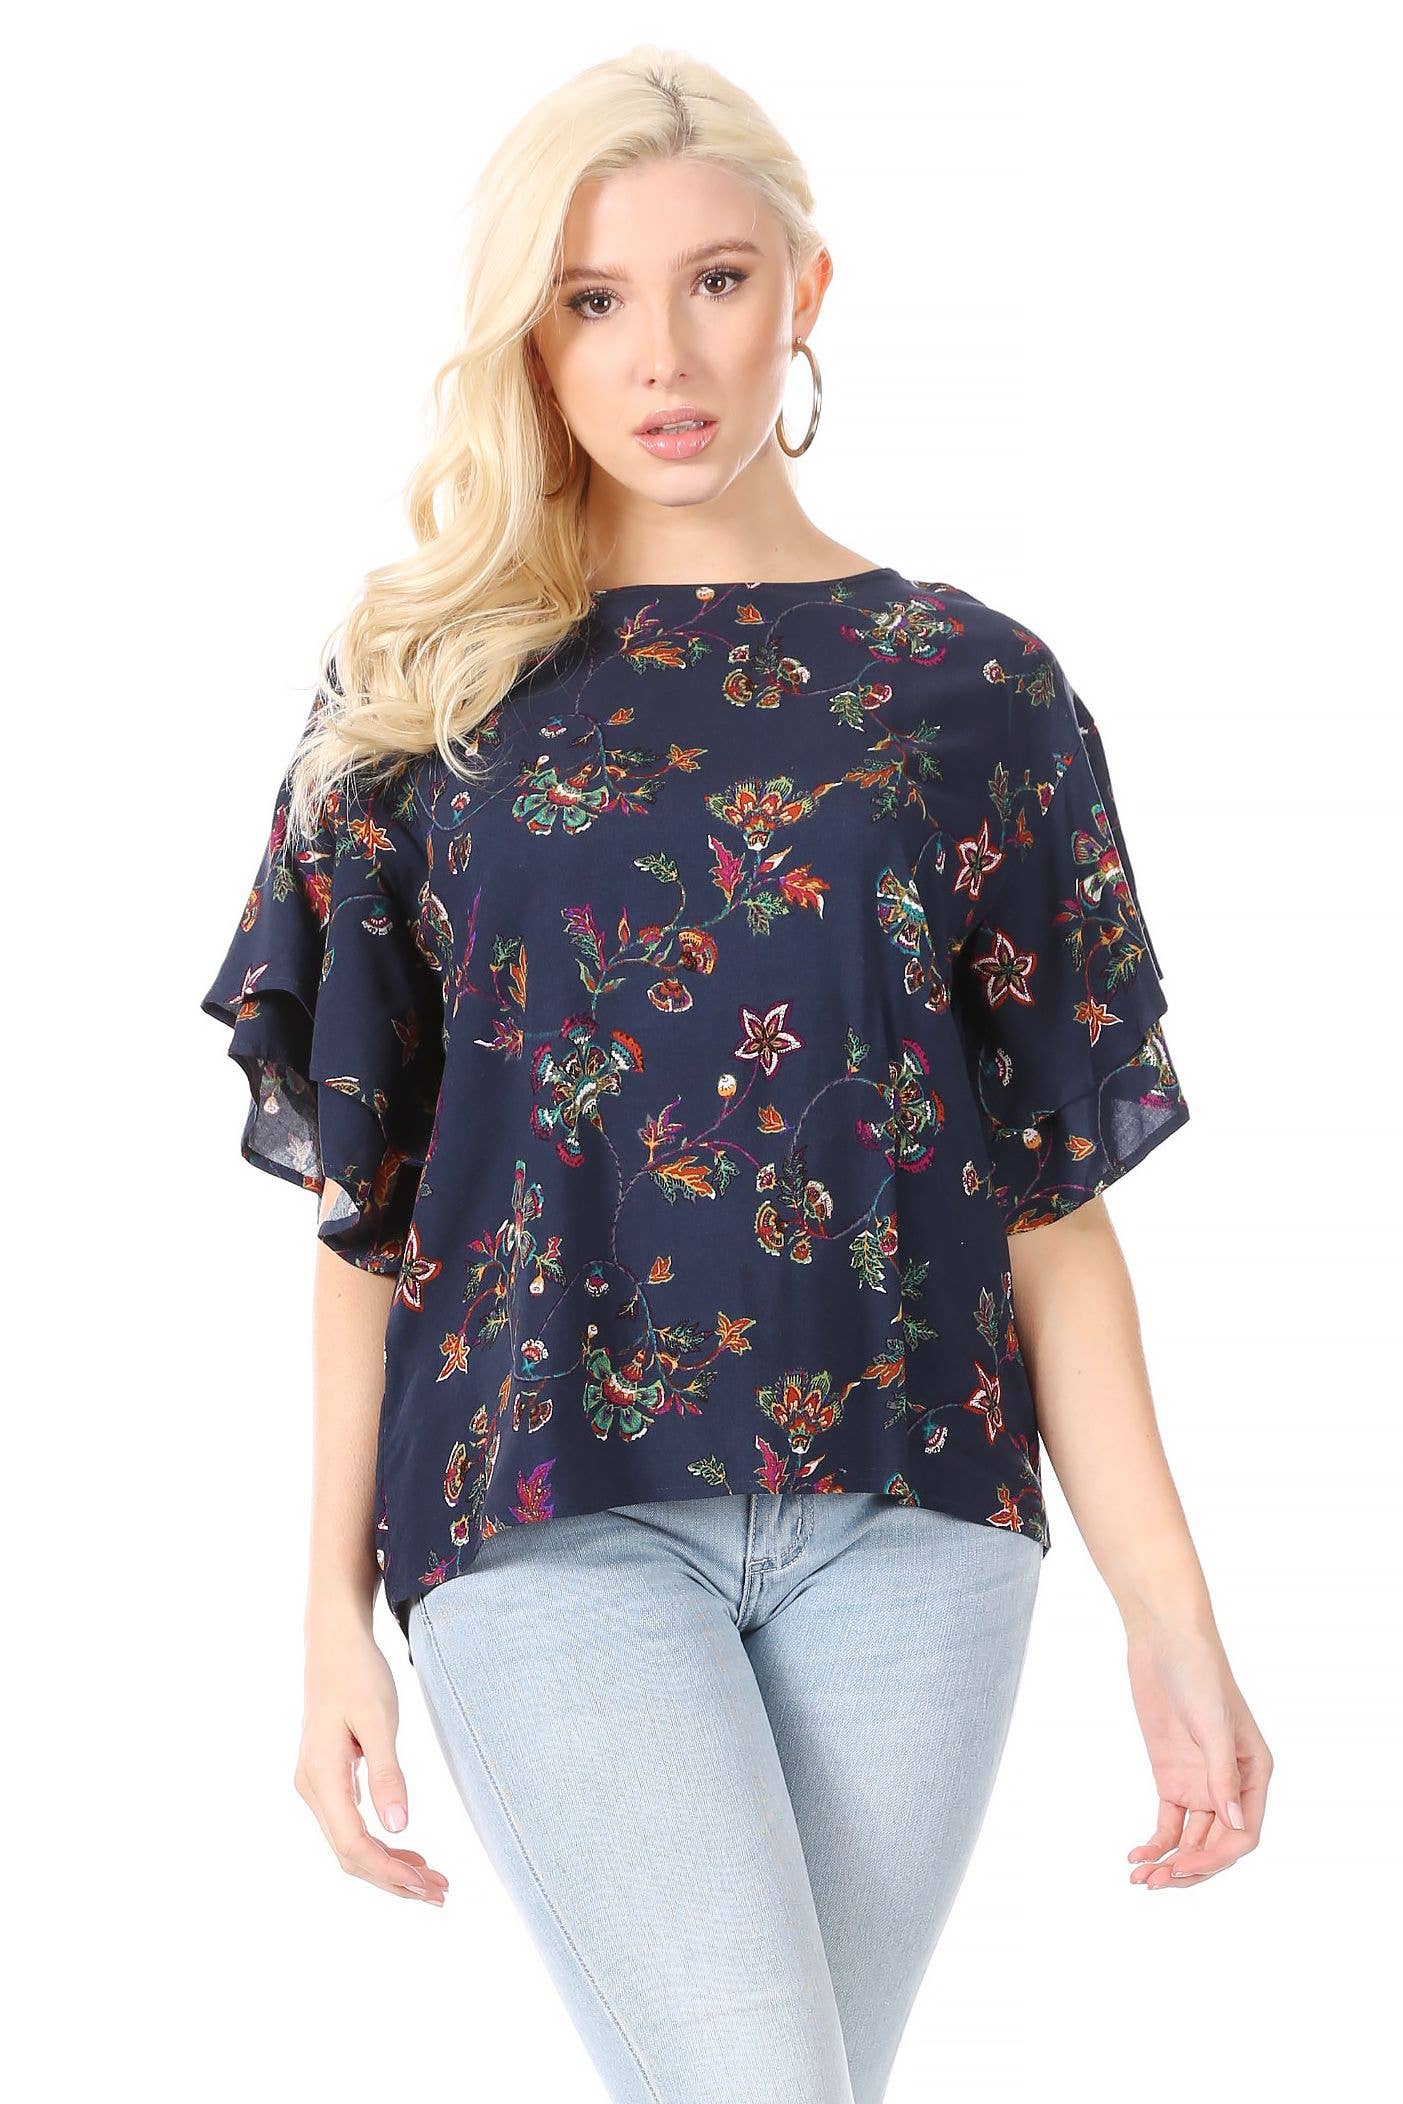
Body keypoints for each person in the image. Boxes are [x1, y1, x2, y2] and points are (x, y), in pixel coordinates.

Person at [199, 44, 1272, 2104]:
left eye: (716, 281)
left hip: (917, 1522)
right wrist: (328, 1614)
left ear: (809, 292)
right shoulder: (429, 689)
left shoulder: (975, 687)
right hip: (541, 1514)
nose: (664, 356)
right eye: (593, 299)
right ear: (530, 335)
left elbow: (1049, 1201)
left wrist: (1174, 1615)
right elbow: (373, 1198)